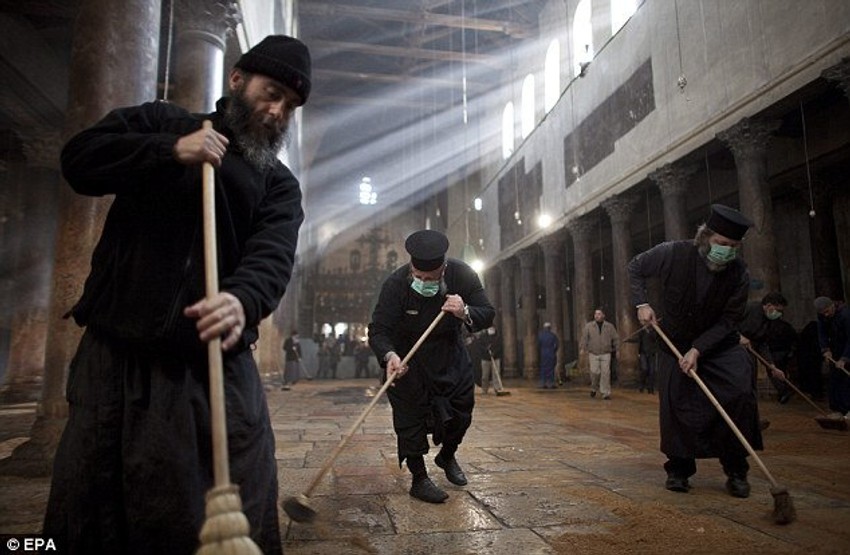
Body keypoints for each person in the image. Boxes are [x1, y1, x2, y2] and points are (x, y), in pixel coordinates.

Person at [42, 35, 311, 554]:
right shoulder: (162, 122)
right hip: (117, 355)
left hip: (208, 360)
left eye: (291, 105)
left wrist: (241, 300)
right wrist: (168, 151)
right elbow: (79, 160)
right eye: (272, 93)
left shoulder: (278, 184)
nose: (278, 111)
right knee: (97, 503)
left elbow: (272, 256)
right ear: (238, 80)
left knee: (233, 491)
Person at [627, 204, 761, 499]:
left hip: (719, 344)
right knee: (677, 403)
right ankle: (679, 469)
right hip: (676, 341)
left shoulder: (739, 271)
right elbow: (635, 267)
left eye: (733, 246)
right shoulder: (673, 252)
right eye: (722, 244)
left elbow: (730, 319)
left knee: (738, 396)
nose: (727, 251)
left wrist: (699, 349)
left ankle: (736, 470)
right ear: (705, 237)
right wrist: (642, 304)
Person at [368, 229, 494, 504]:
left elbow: (488, 313)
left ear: (443, 268)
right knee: (409, 419)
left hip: (450, 356)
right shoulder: (395, 285)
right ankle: (419, 479)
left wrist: (464, 311)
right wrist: (389, 355)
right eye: (418, 276)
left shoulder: (462, 275)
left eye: (430, 278)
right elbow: (378, 329)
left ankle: (447, 456)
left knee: (461, 413)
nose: (423, 282)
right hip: (407, 360)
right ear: (411, 267)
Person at [737, 292, 797, 404]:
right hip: (734, 348)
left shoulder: (769, 321)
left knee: (751, 379)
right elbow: (726, 324)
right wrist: (739, 336)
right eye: (778, 310)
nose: (779, 314)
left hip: (750, 350)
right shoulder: (748, 308)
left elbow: (762, 343)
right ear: (769, 305)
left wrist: (771, 365)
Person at [813, 296, 850, 417]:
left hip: (847, 348)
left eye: (827, 311)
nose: (826, 315)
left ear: (832, 306)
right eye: (823, 313)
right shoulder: (823, 316)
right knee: (835, 380)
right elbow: (822, 332)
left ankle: (847, 409)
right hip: (835, 348)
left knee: (845, 381)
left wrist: (844, 358)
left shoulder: (845, 315)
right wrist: (825, 349)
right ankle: (837, 408)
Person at [580, 308, 619, 400]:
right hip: (594, 352)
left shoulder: (609, 326)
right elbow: (584, 338)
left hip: (606, 352)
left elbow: (616, 338)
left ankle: (605, 393)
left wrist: (617, 349)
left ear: (603, 315)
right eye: (596, 314)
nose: (597, 316)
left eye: (599, 314)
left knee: (606, 373)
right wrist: (582, 348)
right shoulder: (589, 326)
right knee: (594, 372)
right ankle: (594, 387)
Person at [628, 325, 659, 394]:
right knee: (644, 369)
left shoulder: (654, 331)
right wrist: (629, 340)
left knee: (652, 372)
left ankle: (650, 388)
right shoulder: (642, 331)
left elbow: (655, 339)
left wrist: (650, 331)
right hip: (643, 353)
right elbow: (638, 340)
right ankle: (641, 386)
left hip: (651, 354)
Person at [480, 326, 510, 396]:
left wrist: (494, 352)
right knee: (485, 375)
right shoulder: (483, 336)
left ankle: (497, 389)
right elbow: (480, 346)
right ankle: (484, 390)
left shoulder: (497, 336)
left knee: (496, 374)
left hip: (496, 357)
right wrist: (486, 350)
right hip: (485, 358)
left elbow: (500, 346)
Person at [538, 322, 559, 389]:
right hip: (551, 353)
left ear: (544, 328)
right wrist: (553, 351)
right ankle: (550, 383)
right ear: (550, 328)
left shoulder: (541, 336)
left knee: (543, 368)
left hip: (543, 354)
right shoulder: (553, 336)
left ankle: (543, 383)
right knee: (551, 368)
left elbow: (538, 345)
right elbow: (556, 345)